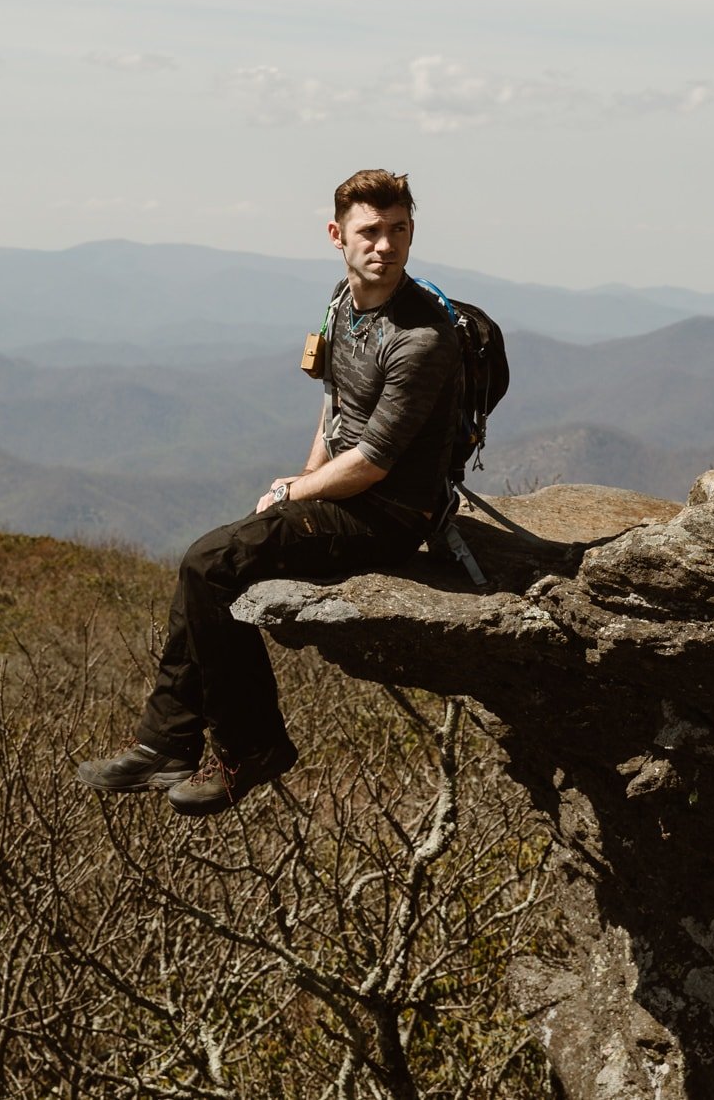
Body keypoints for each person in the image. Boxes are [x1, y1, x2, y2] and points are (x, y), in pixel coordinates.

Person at [76, 169, 463, 816]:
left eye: (398, 230)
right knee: (207, 564)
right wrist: (301, 484)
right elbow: (335, 414)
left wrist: (299, 489)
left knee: (209, 563)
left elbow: (371, 462)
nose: (385, 245)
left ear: (411, 232)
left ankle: (249, 745)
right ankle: (165, 740)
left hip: (388, 514)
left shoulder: (421, 336)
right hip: (340, 496)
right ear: (337, 236)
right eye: (370, 231)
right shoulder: (345, 301)